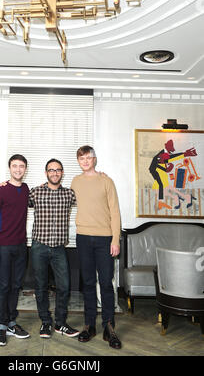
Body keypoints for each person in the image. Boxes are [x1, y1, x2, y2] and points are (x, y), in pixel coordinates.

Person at [71, 145, 122, 349]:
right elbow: (60, 196)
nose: (85, 161)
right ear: (78, 161)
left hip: (104, 239)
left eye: (88, 157)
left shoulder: (106, 181)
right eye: (81, 158)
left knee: (106, 284)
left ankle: (109, 328)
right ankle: (89, 325)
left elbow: (116, 212)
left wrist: (115, 240)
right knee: (89, 284)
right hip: (83, 237)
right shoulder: (75, 181)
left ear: (94, 159)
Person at [29, 159, 79, 339]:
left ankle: (60, 323)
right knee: (40, 286)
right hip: (39, 246)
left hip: (59, 248)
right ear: (46, 173)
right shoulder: (35, 192)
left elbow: (89, 198)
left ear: (62, 173)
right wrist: (5, 185)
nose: (55, 173)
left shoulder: (69, 194)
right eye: (51, 170)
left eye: (58, 170)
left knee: (64, 286)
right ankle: (45, 322)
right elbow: (16, 201)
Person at [0, 154, 30, 346]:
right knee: (4, 286)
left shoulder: (26, 189)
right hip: (3, 247)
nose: (18, 169)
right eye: (15, 166)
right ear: (9, 168)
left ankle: (12, 322)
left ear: (25, 169)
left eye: (21, 166)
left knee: (15, 286)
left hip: (21, 246)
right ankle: (0, 327)